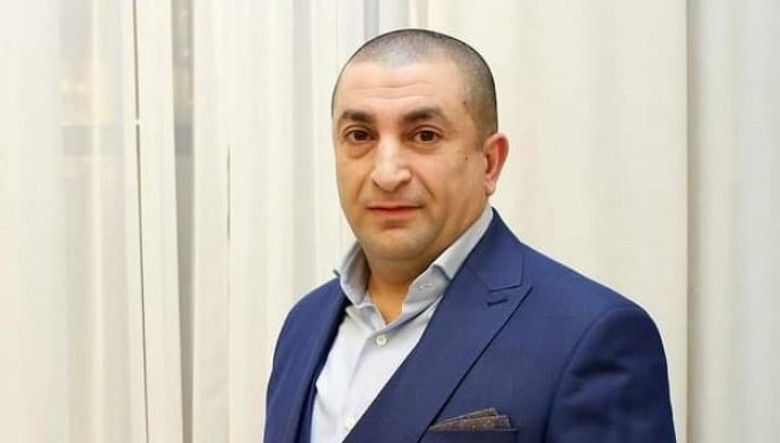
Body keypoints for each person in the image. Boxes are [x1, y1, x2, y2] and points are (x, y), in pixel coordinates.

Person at [264, 28, 676, 443]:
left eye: (424, 136)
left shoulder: (591, 336)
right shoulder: (304, 324)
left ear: (490, 163)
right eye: (360, 136)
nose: (386, 173)